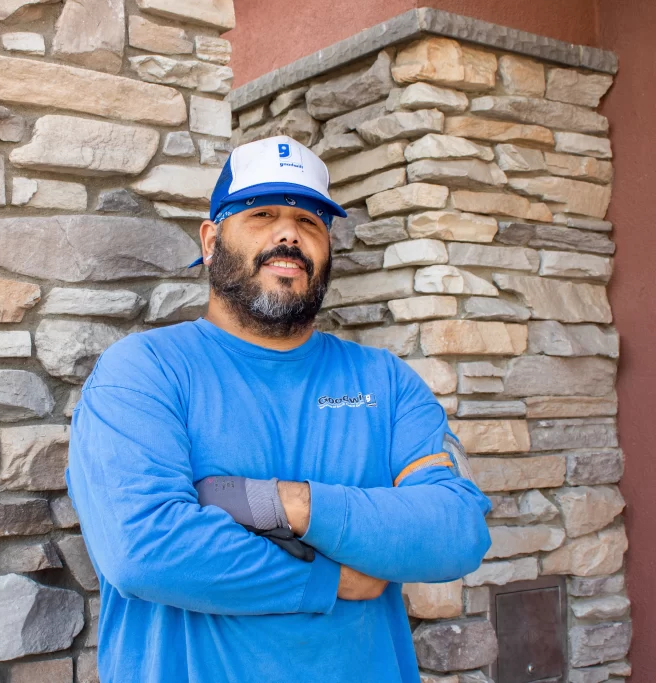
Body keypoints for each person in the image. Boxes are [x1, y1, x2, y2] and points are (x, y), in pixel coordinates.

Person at [65, 135, 492, 683]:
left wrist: (279, 503)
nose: (288, 232)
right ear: (212, 239)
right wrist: (330, 578)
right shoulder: (143, 372)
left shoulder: (384, 381)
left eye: (310, 220)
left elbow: (456, 531)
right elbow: (143, 548)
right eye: (262, 213)